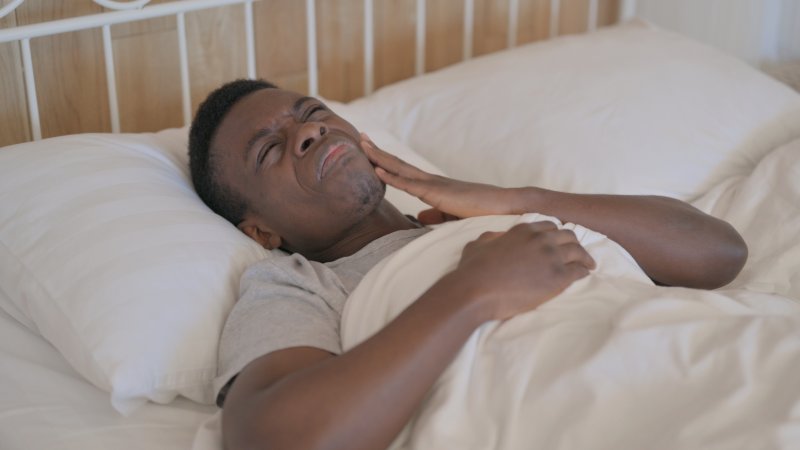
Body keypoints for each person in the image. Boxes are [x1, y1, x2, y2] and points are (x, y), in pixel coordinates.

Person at [188, 79, 748, 450]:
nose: (309, 132)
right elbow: (274, 438)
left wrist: (517, 200)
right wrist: (474, 290)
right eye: (270, 150)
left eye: (312, 114)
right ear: (261, 231)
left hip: (718, 365)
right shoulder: (297, 284)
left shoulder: (481, 215)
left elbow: (719, 252)